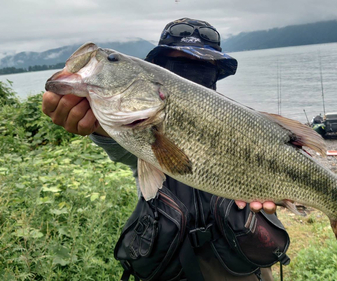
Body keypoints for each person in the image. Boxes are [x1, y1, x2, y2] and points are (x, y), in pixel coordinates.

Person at [43, 18, 283, 281]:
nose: (187, 76)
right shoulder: (139, 124)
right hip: (169, 269)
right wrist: (99, 125)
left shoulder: (243, 125)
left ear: (215, 74)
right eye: (176, 68)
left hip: (238, 266)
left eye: (201, 69)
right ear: (156, 74)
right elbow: (125, 147)